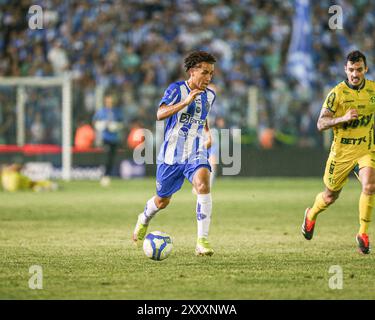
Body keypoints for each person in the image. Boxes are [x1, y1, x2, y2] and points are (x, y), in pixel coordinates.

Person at [132, 50, 217, 256]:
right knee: (162, 201)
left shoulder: (210, 95)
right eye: (204, 72)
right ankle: (143, 218)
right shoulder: (176, 89)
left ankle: (202, 241)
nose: (208, 77)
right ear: (192, 72)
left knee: (203, 184)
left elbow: (202, 114)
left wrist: (206, 133)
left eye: (211, 73)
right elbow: (160, 114)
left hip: (195, 151)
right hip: (171, 156)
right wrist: (185, 102)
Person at [302, 50, 375, 254]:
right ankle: (311, 214)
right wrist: (342, 119)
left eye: (359, 70)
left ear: (365, 69)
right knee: (330, 196)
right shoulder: (337, 94)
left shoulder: (372, 90)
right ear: (345, 69)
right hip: (341, 154)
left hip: (365, 149)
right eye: (351, 70)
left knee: (370, 185)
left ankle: (363, 233)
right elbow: (320, 123)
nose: (355, 74)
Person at [93, 93, 124, 187]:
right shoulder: (101, 112)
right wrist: (101, 125)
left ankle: (107, 175)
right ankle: (104, 175)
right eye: (107, 102)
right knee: (106, 157)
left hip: (114, 138)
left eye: (111, 102)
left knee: (111, 158)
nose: (109, 103)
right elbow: (95, 122)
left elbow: (121, 123)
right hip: (105, 138)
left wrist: (116, 126)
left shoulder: (117, 111)